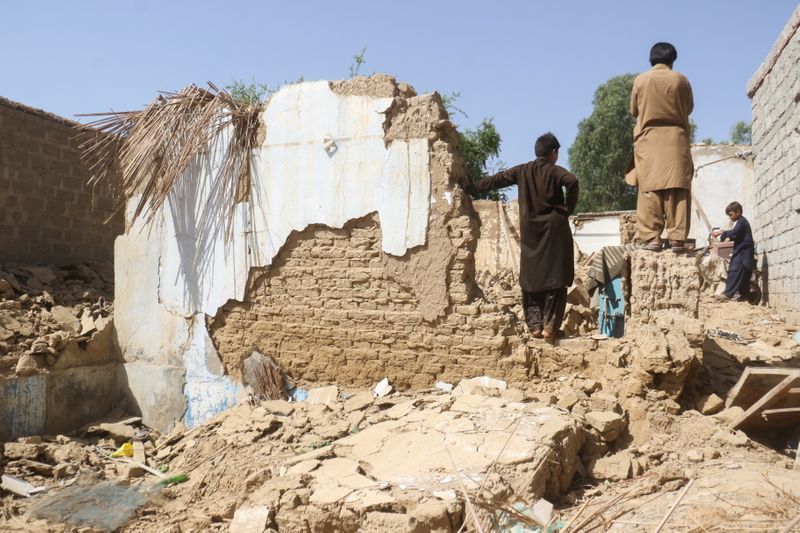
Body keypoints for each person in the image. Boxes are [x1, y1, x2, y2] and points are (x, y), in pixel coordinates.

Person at [464, 132, 579, 342]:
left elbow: (496, 180)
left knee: (531, 278)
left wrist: (472, 187)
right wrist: (566, 208)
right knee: (556, 277)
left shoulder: (523, 170)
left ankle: (535, 326)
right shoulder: (554, 171)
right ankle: (550, 328)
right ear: (553, 153)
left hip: (531, 233)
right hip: (554, 231)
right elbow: (572, 180)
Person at [629, 42, 694, 252]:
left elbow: (634, 110)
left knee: (649, 188)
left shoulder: (641, 80)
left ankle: (652, 238)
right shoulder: (681, 80)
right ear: (672, 59)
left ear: (651, 59)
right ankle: (677, 238)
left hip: (648, 141)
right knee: (677, 189)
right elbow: (689, 107)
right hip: (676, 140)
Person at [712, 201, 755, 301]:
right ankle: (744, 296)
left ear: (738, 212)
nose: (730, 217)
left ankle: (728, 294)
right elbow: (736, 234)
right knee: (742, 275)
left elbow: (735, 232)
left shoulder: (742, 222)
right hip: (741, 252)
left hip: (744, 254)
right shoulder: (740, 222)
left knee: (735, 272)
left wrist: (722, 233)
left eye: (731, 214)